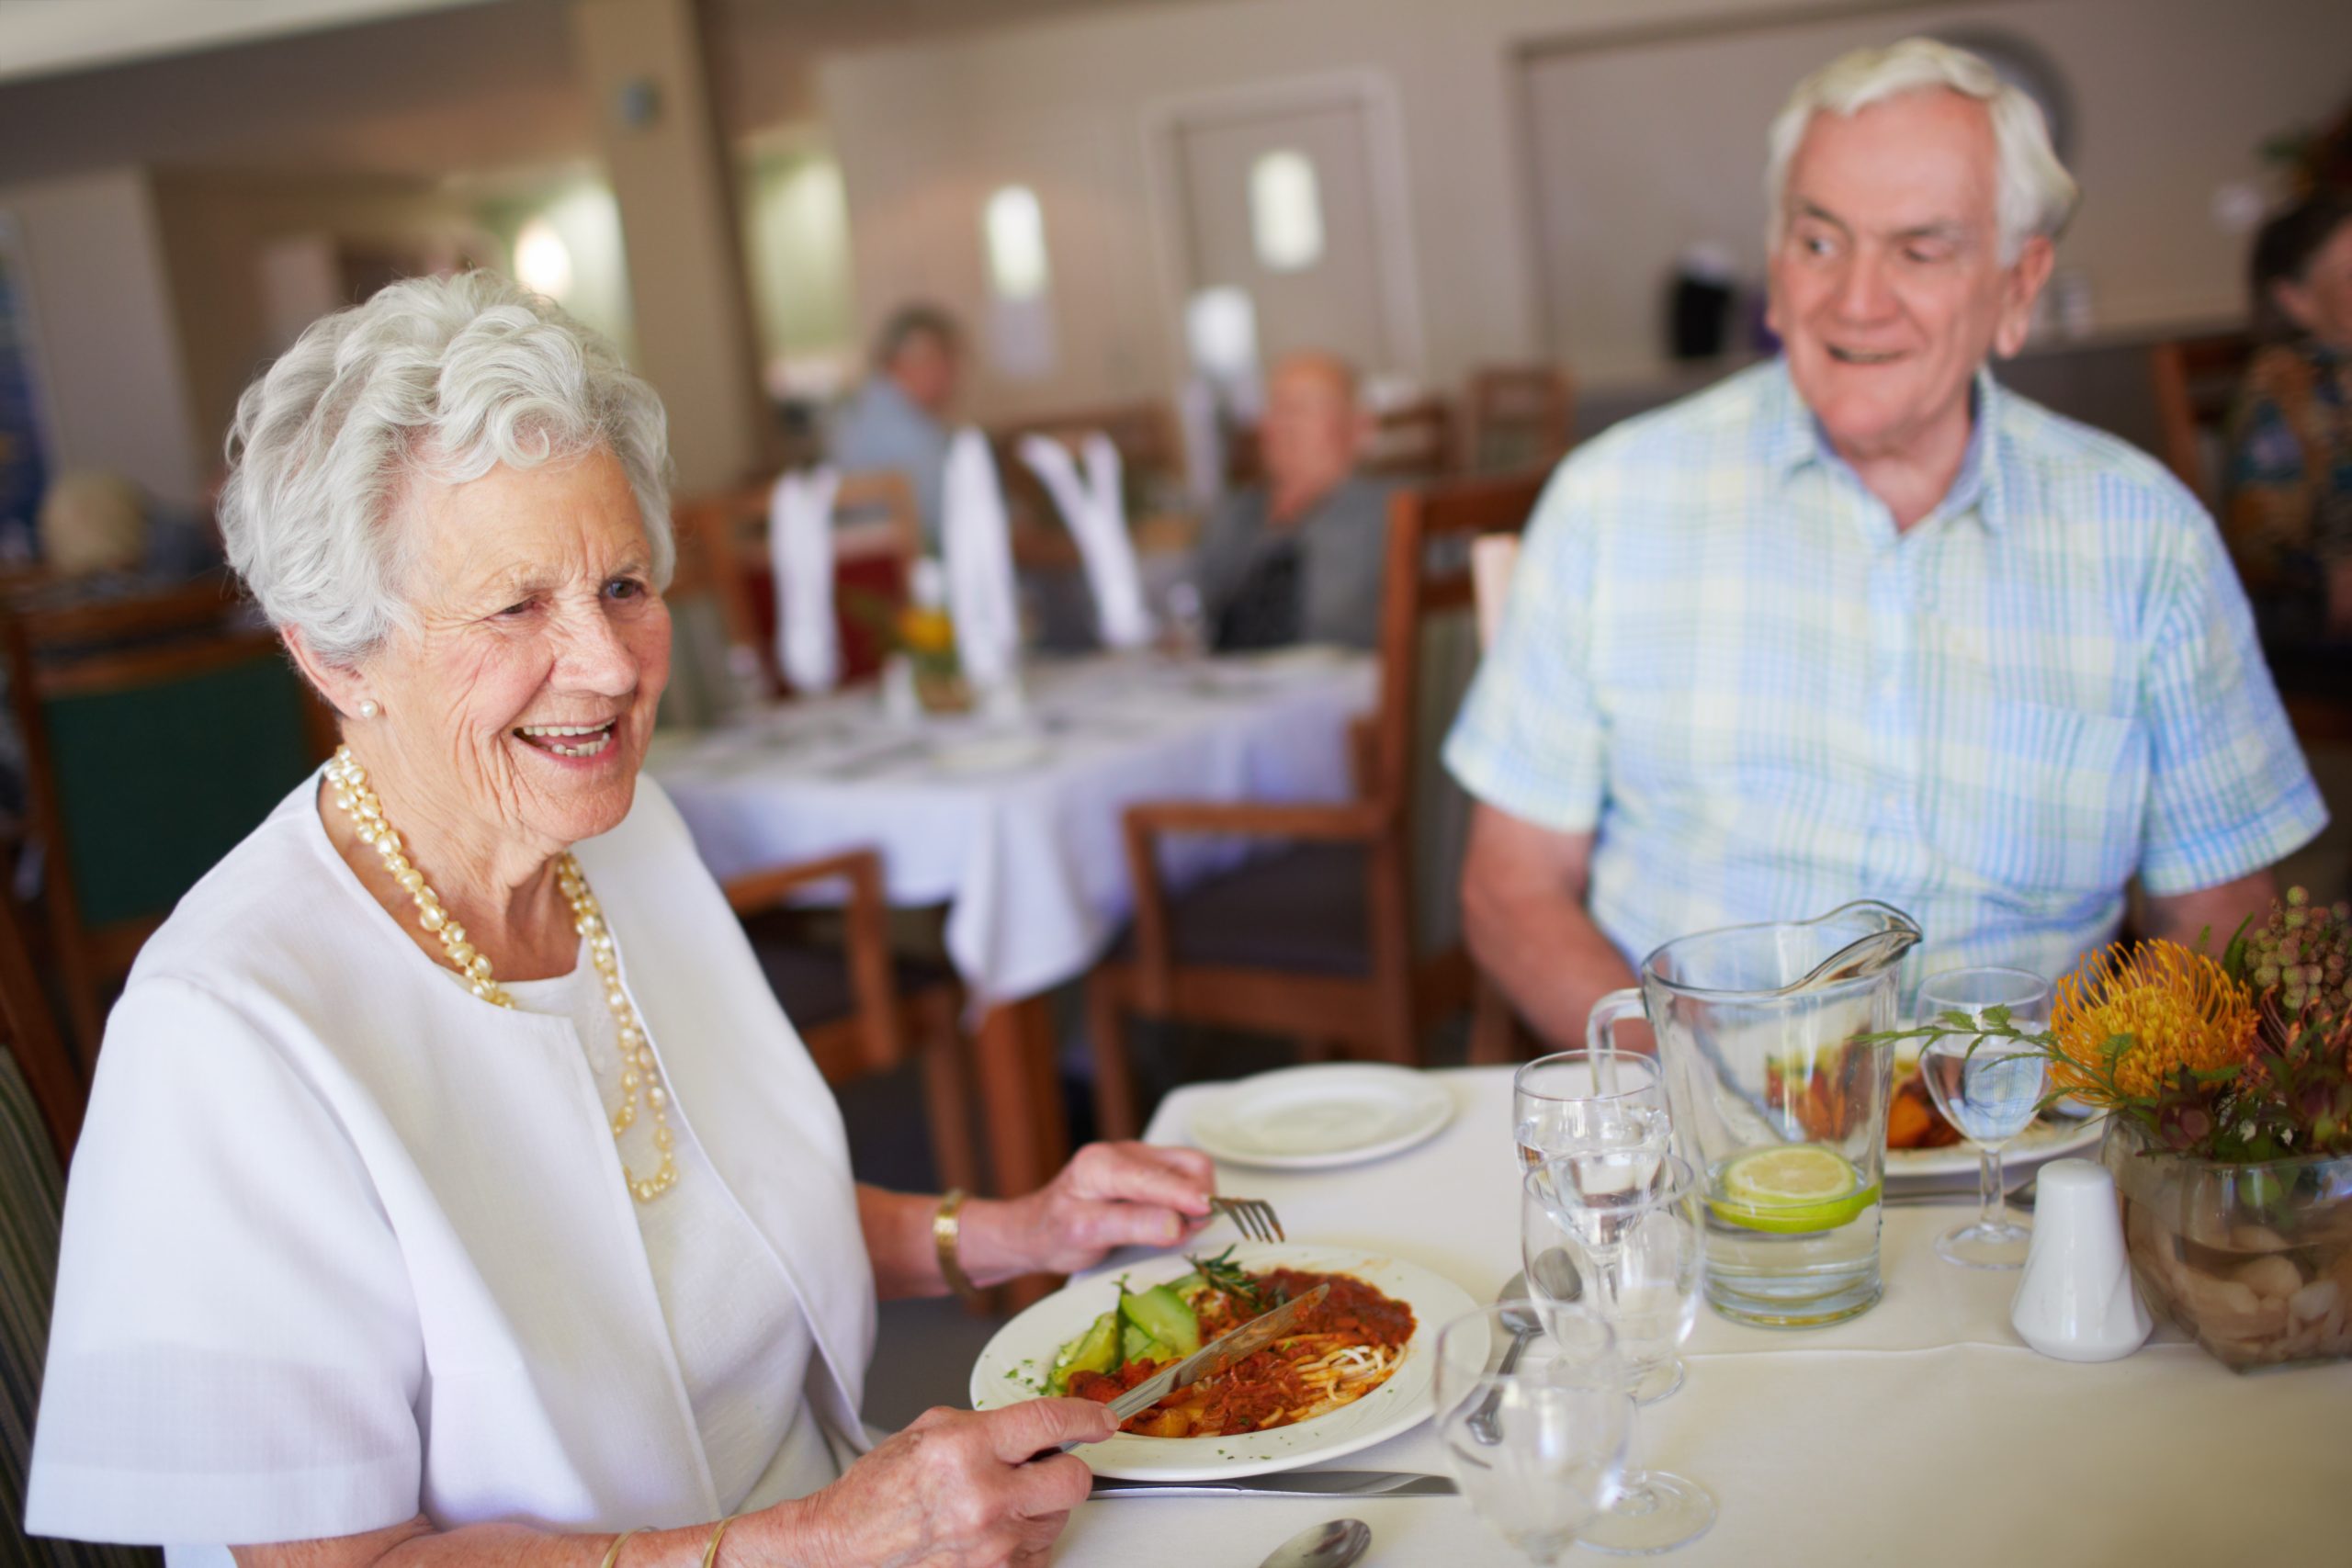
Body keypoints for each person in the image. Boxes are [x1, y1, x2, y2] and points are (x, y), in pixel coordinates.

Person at [26, 272, 1219, 1568]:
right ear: (334, 654)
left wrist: (1018, 1226)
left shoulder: (622, 834)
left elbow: (730, 1214)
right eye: (515, 605)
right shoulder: (229, 1029)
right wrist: (814, 1540)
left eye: (625, 585)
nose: (604, 664)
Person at [1446, 38, 2326, 1049]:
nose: (1855, 300)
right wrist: (1691, 1105)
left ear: (2016, 287)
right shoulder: (1610, 501)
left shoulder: (2144, 538)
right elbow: (1509, 890)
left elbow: (2213, 924)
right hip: (1701, 1148)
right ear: (1776, 272)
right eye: (1820, 243)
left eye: (1919, 249)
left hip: (2022, 1147)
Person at [2222, 190, 2352, 682]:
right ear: (2294, 301)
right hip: (2318, 618)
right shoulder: (2283, 384)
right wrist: (2329, 574)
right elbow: (2260, 537)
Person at [1195, 351, 1389, 651]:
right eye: (1276, 409)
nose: (1283, 425)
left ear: (1360, 428)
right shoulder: (1238, 516)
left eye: (1302, 409)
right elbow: (1190, 603)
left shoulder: (1387, 517)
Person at [828, 304, 961, 544]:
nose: (952, 378)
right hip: (911, 566)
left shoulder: (856, 410)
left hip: (870, 568)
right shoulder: (907, 429)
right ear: (912, 361)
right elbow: (950, 522)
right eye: (948, 363)